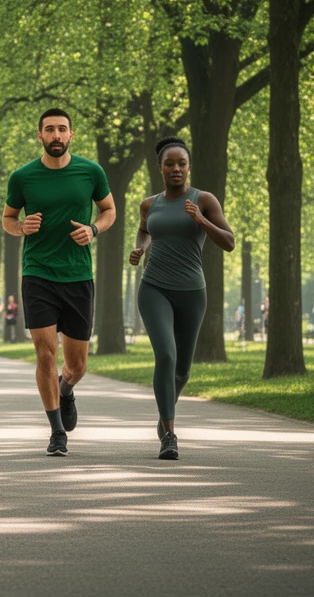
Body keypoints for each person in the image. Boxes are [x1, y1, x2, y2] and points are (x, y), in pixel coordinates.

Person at [3, 107, 115, 456]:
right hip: (37, 272)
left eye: (62, 129)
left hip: (78, 274)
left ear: (71, 135)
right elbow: (8, 218)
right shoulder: (23, 177)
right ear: (39, 135)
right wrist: (21, 227)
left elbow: (109, 210)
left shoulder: (90, 171)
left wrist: (93, 229)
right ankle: (56, 432)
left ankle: (66, 389)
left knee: (78, 364)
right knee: (45, 353)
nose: (55, 135)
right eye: (49, 130)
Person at [129, 136, 234, 461]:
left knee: (183, 370)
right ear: (160, 168)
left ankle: (164, 415)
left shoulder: (204, 200)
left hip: (192, 291)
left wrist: (201, 221)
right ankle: (170, 435)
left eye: (182, 164)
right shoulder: (150, 203)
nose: (176, 169)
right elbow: (145, 229)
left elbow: (229, 242)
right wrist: (140, 248)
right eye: (169, 164)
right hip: (154, 287)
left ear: (189, 167)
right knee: (167, 356)